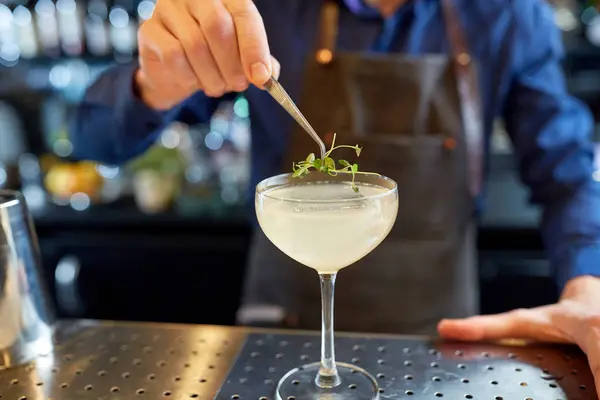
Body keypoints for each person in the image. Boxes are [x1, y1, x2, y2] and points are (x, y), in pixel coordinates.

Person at [71, 0, 600, 393]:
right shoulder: (260, 11)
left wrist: (588, 285)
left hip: (441, 336)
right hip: (279, 329)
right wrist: (155, 83)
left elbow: (568, 170)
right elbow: (96, 139)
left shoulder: (506, 12)